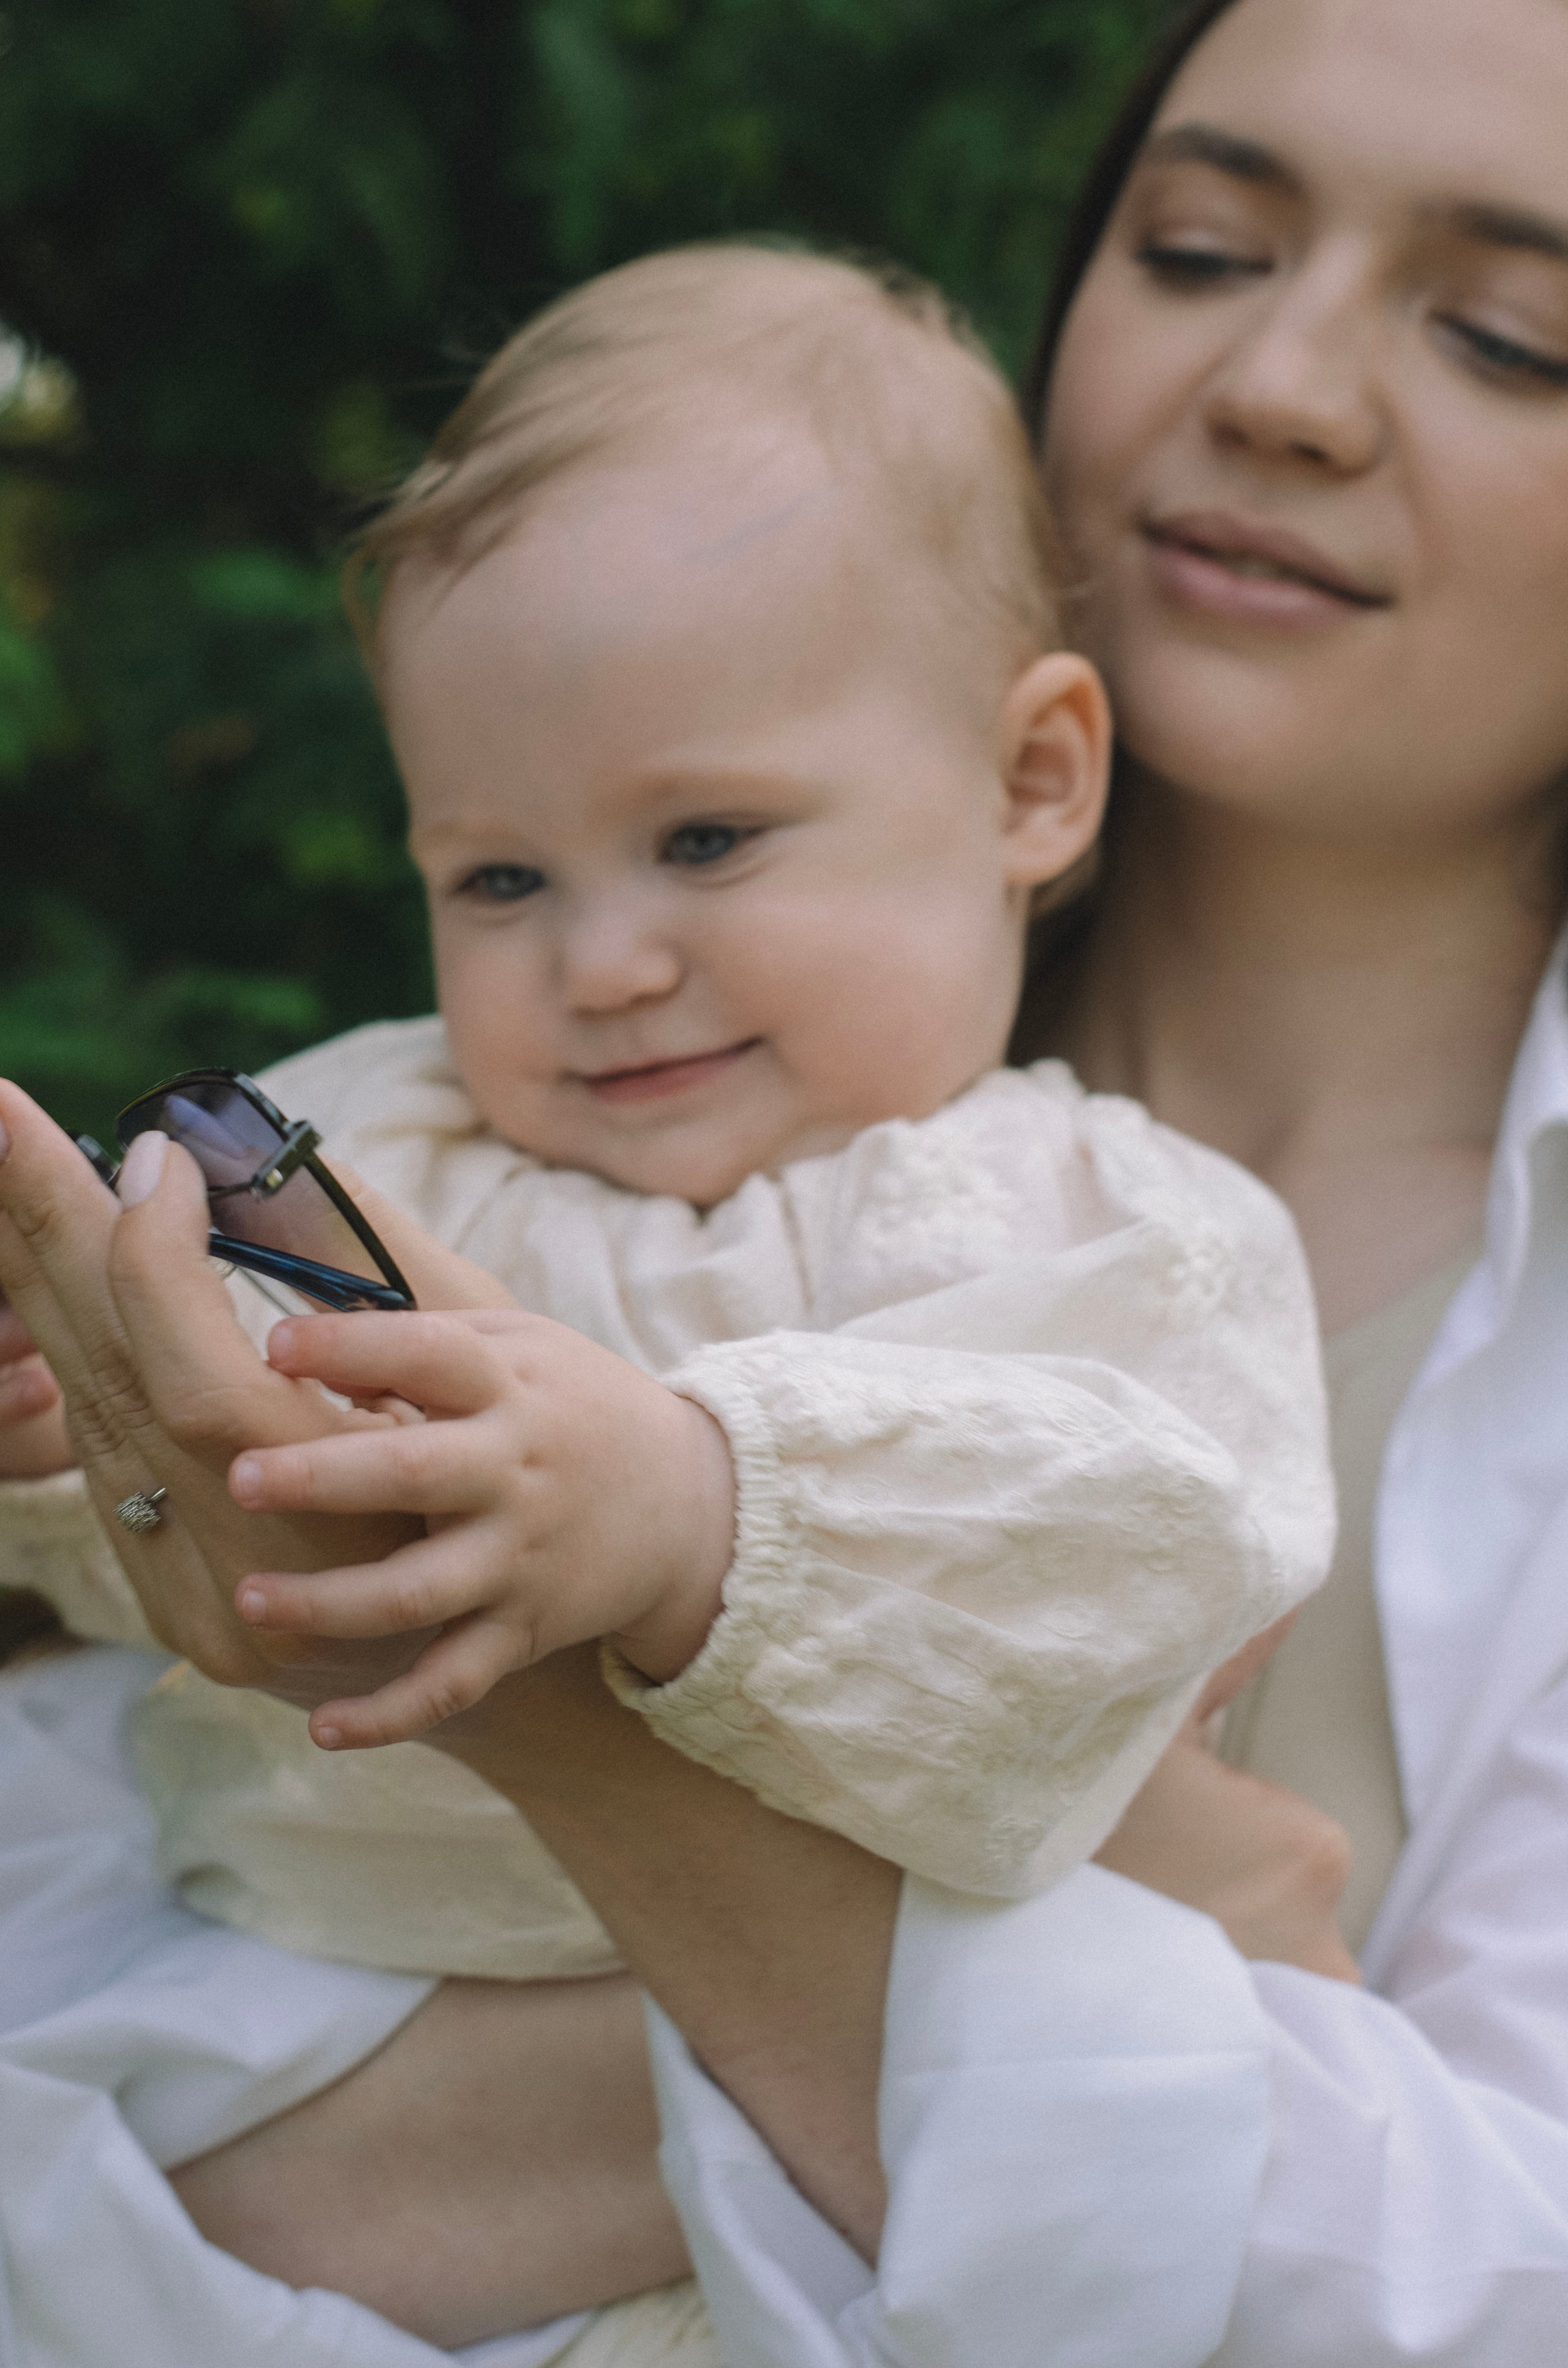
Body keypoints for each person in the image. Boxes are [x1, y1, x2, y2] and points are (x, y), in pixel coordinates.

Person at [6, 0, 1568, 2356]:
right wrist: (71, 1444)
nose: (1284, 388)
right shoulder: (470, 1115)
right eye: (1201, 247)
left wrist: (588, 1666)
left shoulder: (1119, 1251)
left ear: (1035, 777)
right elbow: (76, 1937)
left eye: (1509, 331)